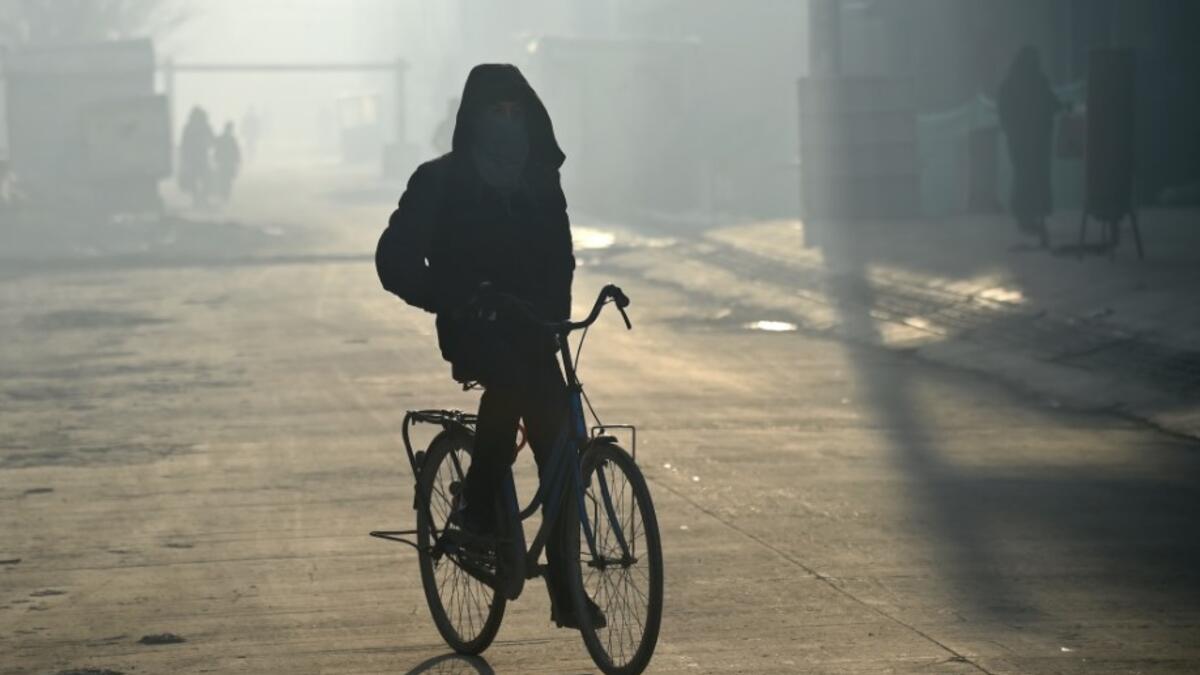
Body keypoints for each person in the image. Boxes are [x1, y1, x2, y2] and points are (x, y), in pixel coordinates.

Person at [375, 64, 602, 629]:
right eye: (494, 113)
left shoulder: (539, 181)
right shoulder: (439, 180)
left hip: (531, 327)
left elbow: (561, 255)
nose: (506, 122)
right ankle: (477, 509)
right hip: (472, 325)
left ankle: (567, 589)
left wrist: (556, 312)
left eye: (514, 112)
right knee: (512, 385)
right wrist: (453, 297)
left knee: (559, 449)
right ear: (472, 120)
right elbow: (395, 261)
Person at [998, 46, 1062, 247]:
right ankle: (1035, 214)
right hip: (1037, 141)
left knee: (1024, 176)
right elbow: (1051, 103)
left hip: (1019, 142)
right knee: (1036, 177)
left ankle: (1025, 216)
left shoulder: (1009, 84)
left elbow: (1004, 112)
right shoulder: (1038, 81)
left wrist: (1011, 130)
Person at [178, 106, 215, 207]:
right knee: (198, 179)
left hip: (197, 158)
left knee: (203, 179)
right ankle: (199, 199)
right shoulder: (193, 127)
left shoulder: (192, 127)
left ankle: (200, 199)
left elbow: (212, 140)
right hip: (196, 158)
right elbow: (184, 144)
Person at [212, 121, 242, 203]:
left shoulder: (230, 139)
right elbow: (216, 149)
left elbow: (236, 151)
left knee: (227, 180)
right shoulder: (228, 139)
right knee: (223, 179)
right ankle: (224, 195)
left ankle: (225, 195)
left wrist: (237, 160)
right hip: (223, 162)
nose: (230, 130)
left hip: (228, 163)